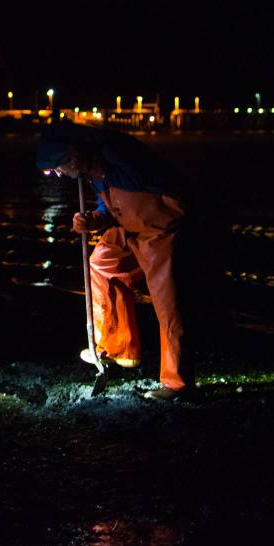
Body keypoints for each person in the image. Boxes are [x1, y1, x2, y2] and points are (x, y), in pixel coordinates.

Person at [36, 122, 195, 400]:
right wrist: (92, 219)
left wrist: (102, 170)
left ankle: (176, 383)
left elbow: (153, 182)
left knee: (167, 304)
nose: (58, 174)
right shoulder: (90, 171)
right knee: (101, 261)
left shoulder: (114, 151)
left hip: (160, 229)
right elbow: (108, 207)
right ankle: (118, 346)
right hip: (129, 228)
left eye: (57, 167)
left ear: (72, 154)